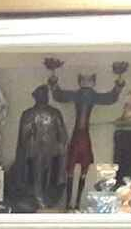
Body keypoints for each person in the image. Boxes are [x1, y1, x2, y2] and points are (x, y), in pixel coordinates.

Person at [49, 70, 125, 210]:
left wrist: (53, 81)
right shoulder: (85, 95)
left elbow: (59, 95)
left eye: (88, 80)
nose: (86, 84)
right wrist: (118, 84)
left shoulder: (82, 95)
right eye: (84, 80)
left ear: (93, 82)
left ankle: (74, 203)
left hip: (80, 136)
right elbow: (110, 98)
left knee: (76, 170)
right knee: (75, 170)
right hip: (80, 136)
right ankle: (72, 203)